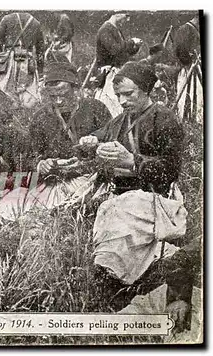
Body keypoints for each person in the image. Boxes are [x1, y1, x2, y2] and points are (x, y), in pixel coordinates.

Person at [78, 62, 186, 307]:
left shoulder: (164, 119)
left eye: (129, 94)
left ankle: (114, 278)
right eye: (118, 95)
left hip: (156, 194)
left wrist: (132, 161)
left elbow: (170, 170)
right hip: (122, 192)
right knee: (109, 212)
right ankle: (113, 272)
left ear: (146, 91)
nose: (123, 100)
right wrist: (90, 140)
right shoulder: (120, 120)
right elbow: (99, 135)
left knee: (115, 219)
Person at [0, 62, 112, 220]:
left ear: (76, 88)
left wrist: (94, 148)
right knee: (15, 207)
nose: (58, 102)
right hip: (55, 182)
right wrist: (41, 164)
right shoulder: (41, 117)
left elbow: (113, 145)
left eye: (63, 95)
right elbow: (28, 156)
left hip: (91, 179)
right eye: (53, 97)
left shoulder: (95, 109)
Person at [0, 12, 46, 109]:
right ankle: (23, 112)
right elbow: (40, 51)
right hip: (27, 61)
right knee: (26, 91)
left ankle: (6, 110)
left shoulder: (7, 19)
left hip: (9, 60)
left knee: (2, 88)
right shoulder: (36, 23)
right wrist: (40, 73)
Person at [94, 12, 143, 117]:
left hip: (116, 72)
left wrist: (135, 47)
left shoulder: (116, 29)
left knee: (118, 104)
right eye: (126, 16)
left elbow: (122, 53)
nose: (127, 20)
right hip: (109, 75)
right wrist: (131, 42)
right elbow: (115, 50)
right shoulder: (105, 30)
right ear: (117, 13)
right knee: (110, 104)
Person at [173, 14, 202, 123]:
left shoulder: (193, 29)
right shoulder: (185, 29)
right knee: (187, 93)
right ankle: (186, 120)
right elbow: (180, 49)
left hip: (194, 67)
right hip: (189, 68)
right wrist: (188, 64)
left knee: (198, 95)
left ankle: (196, 119)